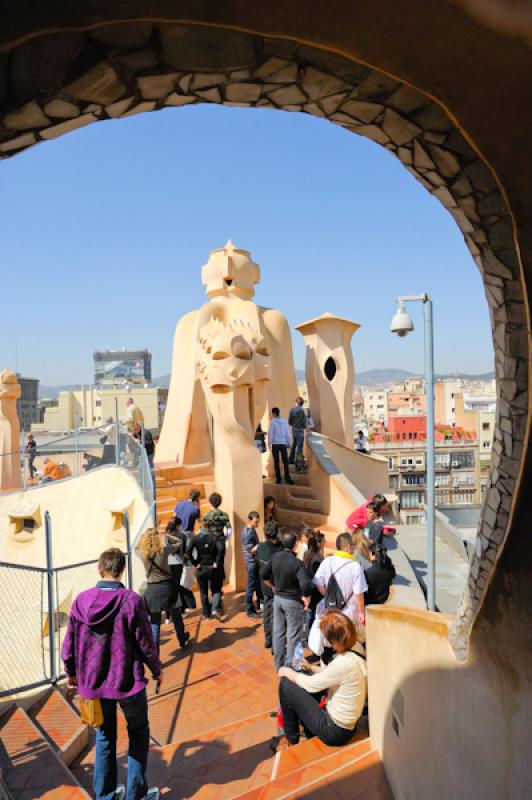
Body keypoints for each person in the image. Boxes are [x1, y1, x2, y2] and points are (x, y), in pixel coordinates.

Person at [62, 548, 162, 800]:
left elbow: (69, 643)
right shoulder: (131, 600)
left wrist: (71, 673)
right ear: (122, 570)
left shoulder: (81, 601)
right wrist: (157, 669)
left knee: (105, 737)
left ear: (100, 569)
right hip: (127, 681)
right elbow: (145, 642)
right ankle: (136, 795)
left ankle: (105, 795)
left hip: (93, 683)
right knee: (138, 732)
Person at [276, 610, 367, 748]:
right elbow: (332, 675)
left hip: (334, 731)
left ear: (332, 640)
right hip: (347, 727)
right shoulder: (356, 649)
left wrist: (286, 672)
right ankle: (306, 730)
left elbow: (312, 685)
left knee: (286, 685)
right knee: (302, 679)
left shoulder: (343, 662)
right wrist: (310, 668)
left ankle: (290, 740)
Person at [261, 529, 311, 672]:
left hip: (278, 600)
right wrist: (306, 596)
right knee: (293, 635)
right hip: (292, 602)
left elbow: (263, 574)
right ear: (295, 545)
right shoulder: (297, 563)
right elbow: (305, 585)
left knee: (278, 632)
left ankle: (278, 666)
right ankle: (290, 668)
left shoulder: (275, 557)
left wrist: (273, 587)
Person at [136, 528, 190, 653]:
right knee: (176, 616)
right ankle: (182, 639)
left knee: (155, 623)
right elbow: (179, 542)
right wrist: (166, 535)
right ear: (157, 538)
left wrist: (144, 535)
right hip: (167, 587)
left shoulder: (141, 553)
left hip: (153, 589)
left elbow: (136, 546)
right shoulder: (163, 551)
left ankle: (156, 656)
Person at [313, 533, 367, 628]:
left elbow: (318, 582)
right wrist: (362, 613)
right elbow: (359, 593)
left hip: (329, 609)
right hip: (347, 614)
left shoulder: (327, 561)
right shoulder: (355, 566)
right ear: (349, 546)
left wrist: (329, 596)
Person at [187, 518, 225, 619]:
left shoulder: (196, 538)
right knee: (216, 590)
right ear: (209, 527)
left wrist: (195, 563)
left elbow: (188, 551)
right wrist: (217, 562)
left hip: (201, 568)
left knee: (203, 593)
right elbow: (221, 549)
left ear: (201, 527)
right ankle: (215, 610)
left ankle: (206, 614)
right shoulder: (214, 537)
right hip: (213, 568)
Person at [256, 520, 282, 649]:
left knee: (267, 613)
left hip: (265, 586)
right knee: (278, 616)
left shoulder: (260, 547)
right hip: (277, 587)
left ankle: (268, 639)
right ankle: (275, 641)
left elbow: (257, 565)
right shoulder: (279, 549)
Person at [303, 531, 325, 639]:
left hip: (309, 587)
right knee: (312, 615)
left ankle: (307, 636)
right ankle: (309, 638)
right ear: (319, 544)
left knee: (310, 614)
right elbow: (318, 577)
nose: (325, 543)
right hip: (315, 590)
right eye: (323, 542)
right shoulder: (317, 559)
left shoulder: (307, 553)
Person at [241, 511, 263, 618]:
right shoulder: (248, 533)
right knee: (250, 586)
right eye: (256, 521)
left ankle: (259, 605)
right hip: (251, 563)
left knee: (257, 584)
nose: (257, 524)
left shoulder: (250, 529)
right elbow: (251, 550)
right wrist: (261, 546)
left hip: (252, 562)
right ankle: (250, 610)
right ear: (250, 520)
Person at [268, 407, 293, 485]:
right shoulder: (285, 421)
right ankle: (288, 478)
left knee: (276, 462)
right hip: (283, 444)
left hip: (275, 444)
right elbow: (287, 433)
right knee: (285, 461)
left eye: (272, 413)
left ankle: (279, 479)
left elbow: (270, 433)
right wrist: (289, 443)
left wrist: (269, 443)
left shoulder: (273, 422)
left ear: (274, 413)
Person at [288, 397, 307, 472]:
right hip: (300, 431)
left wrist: (294, 424)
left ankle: (290, 460)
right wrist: (305, 427)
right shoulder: (302, 411)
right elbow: (304, 423)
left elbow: (289, 422)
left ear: (296, 402)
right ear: (302, 403)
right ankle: (298, 467)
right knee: (299, 448)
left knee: (294, 445)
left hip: (294, 430)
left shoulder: (292, 410)